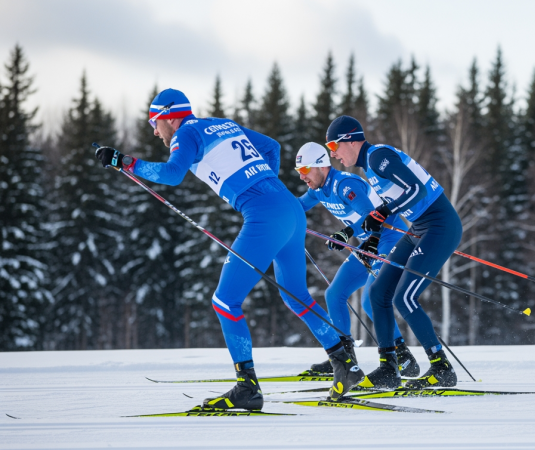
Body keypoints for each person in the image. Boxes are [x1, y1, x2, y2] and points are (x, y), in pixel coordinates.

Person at [94, 89, 363, 407]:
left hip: (267, 215)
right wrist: (265, 185)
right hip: (289, 209)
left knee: (225, 301)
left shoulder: (186, 133)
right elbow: (271, 147)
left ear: (170, 115)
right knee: (296, 295)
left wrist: (123, 162)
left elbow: (172, 174)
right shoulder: (222, 124)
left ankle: (247, 388)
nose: (155, 131)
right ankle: (345, 363)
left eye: (156, 122)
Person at [326, 115, 463, 389]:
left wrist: (384, 211)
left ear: (349, 141)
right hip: (419, 229)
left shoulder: (378, 157)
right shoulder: (368, 168)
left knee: (405, 297)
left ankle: (441, 367)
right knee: (378, 293)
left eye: (333, 147)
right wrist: (371, 227)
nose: (334, 155)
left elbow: (416, 188)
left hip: (440, 226)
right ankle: (389, 367)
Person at [294, 142, 420, 377]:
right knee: (334, 294)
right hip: (368, 243)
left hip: (389, 238)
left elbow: (368, 216)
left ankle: (403, 357)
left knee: (369, 300)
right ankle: (344, 359)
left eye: (305, 171)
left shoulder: (345, 184)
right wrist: (268, 207)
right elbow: (298, 206)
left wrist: (345, 233)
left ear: (321, 166)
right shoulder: (317, 189)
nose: (302, 177)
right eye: (298, 172)